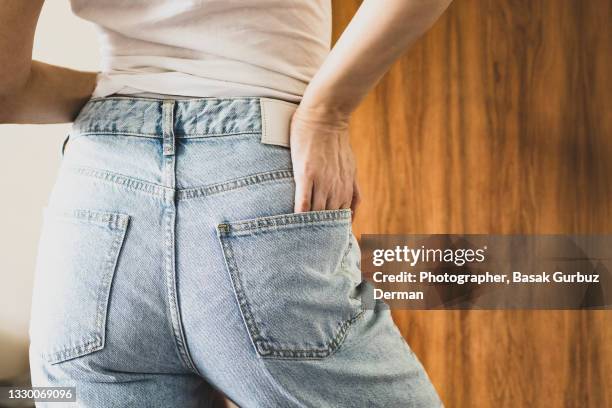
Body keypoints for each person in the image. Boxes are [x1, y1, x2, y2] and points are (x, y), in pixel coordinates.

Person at [1, 0, 452, 406]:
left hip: (97, 207)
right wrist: (327, 111)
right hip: (256, 181)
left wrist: (128, 96)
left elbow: (5, 86)